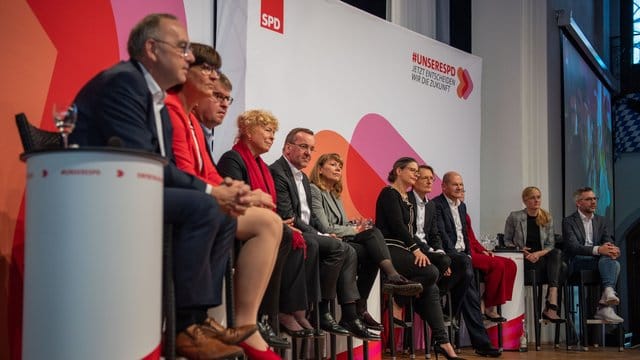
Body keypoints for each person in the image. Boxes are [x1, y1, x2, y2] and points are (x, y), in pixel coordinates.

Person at [69, 14, 258, 359]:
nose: (189, 57)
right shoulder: (124, 83)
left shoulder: (152, 94)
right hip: (101, 194)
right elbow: (143, 160)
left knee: (224, 213)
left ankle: (198, 319)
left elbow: (160, 166)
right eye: (183, 48)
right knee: (205, 205)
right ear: (152, 49)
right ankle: (184, 326)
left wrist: (221, 192)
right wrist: (211, 191)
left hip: (134, 188)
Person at [163, 42, 285, 359]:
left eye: (226, 97)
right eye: (211, 81)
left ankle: (241, 322)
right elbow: (187, 173)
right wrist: (233, 193)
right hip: (176, 202)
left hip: (194, 200)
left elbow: (210, 176)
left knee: (268, 221)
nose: (215, 88)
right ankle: (225, 321)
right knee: (246, 218)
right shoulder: (175, 112)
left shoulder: (193, 124)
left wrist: (241, 192)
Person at [270, 128, 378, 340]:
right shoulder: (278, 171)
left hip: (309, 232)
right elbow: (288, 214)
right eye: (303, 147)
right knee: (338, 247)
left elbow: (310, 218)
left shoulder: (302, 179)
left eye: (312, 148)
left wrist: (321, 232)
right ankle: (321, 310)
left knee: (350, 249)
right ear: (288, 148)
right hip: (289, 232)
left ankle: (346, 313)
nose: (308, 153)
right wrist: (321, 233)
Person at [217, 110, 313, 341]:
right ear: (249, 132)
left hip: (261, 228)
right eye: (267, 130)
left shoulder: (261, 166)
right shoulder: (233, 159)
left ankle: (283, 312)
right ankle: (266, 315)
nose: (272, 137)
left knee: (294, 237)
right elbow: (236, 200)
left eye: (274, 132)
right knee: (286, 235)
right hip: (236, 230)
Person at [309, 153, 422, 330]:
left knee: (372, 248)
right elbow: (326, 227)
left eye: (340, 166)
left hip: (343, 240)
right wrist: (355, 230)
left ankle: (359, 308)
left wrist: (354, 224)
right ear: (320, 169)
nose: (338, 168)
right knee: (372, 234)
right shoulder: (314, 190)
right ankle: (389, 278)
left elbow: (341, 223)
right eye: (333, 165)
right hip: (328, 241)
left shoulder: (335, 194)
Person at [375, 158, 462, 360]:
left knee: (442, 264)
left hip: (405, 247)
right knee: (431, 273)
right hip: (389, 248)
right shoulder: (389, 193)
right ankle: (403, 296)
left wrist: (422, 250)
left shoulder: (406, 198)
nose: (416, 174)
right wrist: (415, 250)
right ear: (399, 171)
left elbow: (413, 232)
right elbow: (398, 227)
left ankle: (442, 341)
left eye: (417, 171)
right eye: (412, 170)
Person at [432, 171, 501, 357]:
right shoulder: (436, 205)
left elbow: (464, 235)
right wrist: (461, 257)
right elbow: (442, 236)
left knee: (471, 296)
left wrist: (469, 255)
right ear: (444, 186)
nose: (459, 188)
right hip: (447, 257)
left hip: (463, 258)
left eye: (461, 185)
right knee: (469, 283)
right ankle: (478, 340)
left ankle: (481, 343)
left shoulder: (462, 207)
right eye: (455, 184)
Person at [503, 186, 565, 322]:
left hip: (541, 258)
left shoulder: (546, 217)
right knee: (562, 267)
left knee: (556, 253)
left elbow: (550, 245)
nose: (536, 200)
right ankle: (551, 307)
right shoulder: (515, 216)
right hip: (523, 259)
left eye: (538, 197)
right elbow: (506, 240)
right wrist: (520, 250)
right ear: (525, 200)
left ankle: (552, 296)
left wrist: (538, 253)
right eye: (532, 197)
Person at [562, 187, 623, 322]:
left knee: (612, 261)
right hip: (577, 261)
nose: (593, 202)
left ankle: (607, 294)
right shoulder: (569, 221)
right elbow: (573, 247)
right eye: (589, 199)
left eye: (595, 198)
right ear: (579, 203)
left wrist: (613, 249)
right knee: (615, 265)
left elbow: (607, 240)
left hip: (597, 261)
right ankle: (604, 306)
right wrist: (598, 250)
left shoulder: (601, 220)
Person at [460, 187, 517, 324]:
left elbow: (472, 238)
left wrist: (483, 250)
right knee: (496, 264)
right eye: (459, 191)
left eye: (463, 191)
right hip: (463, 252)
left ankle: (487, 301)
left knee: (510, 264)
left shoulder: (464, 212)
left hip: (473, 250)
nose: (462, 194)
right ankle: (489, 306)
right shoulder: (447, 210)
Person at [193, 72, 233, 162]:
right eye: (218, 96)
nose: (225, 105)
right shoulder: (184, 128)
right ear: (197, 96)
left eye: (227, 99)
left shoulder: (207, 135)